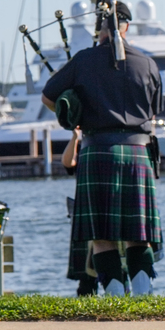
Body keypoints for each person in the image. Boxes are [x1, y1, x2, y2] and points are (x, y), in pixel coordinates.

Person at [41, 0, 163, 296]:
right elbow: (154, 111)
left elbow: (48, 97)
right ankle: (144, 296)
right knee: (139, 233)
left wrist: (74, 111)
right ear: (127, 26)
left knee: (101, 234)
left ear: (100, 28)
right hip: (138, 152)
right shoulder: (148, 63)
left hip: (98, 150)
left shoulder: (83, 60)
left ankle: (115, 295)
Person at [60, 127, 101, 297]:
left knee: (121, 268)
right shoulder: (85, 144)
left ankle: (123, 301)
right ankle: (86, 307)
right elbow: (68, 163)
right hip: (87, 207)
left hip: (109, 205)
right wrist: (75, 138)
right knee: (86, 275)